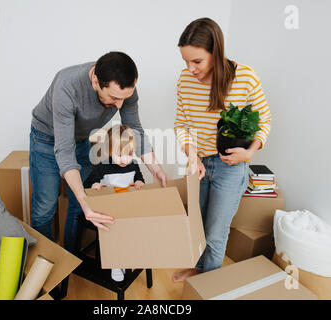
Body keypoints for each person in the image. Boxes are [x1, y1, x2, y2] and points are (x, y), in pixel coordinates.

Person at [29, 51, 168, 253]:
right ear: (95, 81)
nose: (120, 105)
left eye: (125, 98)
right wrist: (85, 201)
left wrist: (156, 170)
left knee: (82, 202)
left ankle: (71, 257)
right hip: (46, 138)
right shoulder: (66, 86)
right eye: (114, 98)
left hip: (81, 138)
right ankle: (43, 265)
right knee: (44, 209)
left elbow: (135, 130)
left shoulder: (124, 90)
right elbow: (65, 152)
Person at [172, 18, 271, 282]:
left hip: (231, 167)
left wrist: (249, 153)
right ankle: (199, 270)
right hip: (199, 164)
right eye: (186, 61)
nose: (190, 68)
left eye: (197, 62)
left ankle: (208, 285)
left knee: (215, 232)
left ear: (215, 53)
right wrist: (192, 156)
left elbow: (265, 121)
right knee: (198, 226)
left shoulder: (245, 77)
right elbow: (181, 124)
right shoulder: (184, 80)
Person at [87, 124, 145, 281]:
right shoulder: (102, 165)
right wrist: (95, 185)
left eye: (129, 153)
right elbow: (89, 183)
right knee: (113, 229)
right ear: (109, 151)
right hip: (109, 209)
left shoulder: (132, 164)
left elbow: (139, 177)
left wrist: (139, 182)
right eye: (120, 154)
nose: (125, 159)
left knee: (136, 226)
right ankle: (116, 263)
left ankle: (128, 257)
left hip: (128, 206)